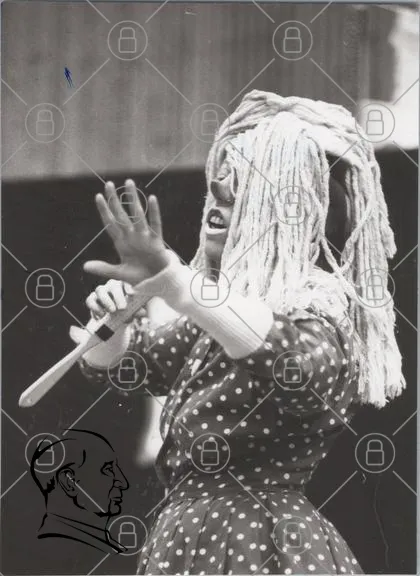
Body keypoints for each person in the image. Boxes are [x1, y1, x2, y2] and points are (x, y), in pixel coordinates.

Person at [71, 90, 405, 575]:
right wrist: (113, 326)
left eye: (241, 192)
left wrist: (175, 281)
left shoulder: (320, 315)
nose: (218, 193)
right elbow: (129, 365)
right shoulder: (215, 321)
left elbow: (293, 362)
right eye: (219, 187)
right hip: (187, 540)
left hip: (260, 543)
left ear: (283, 217)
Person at [30, 429, 129, 554]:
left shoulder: (102, 548)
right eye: (108, 469)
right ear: (69, 482)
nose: (123, 483)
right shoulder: (60, 553)